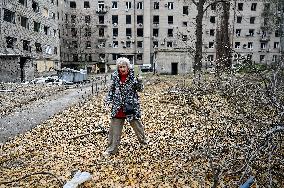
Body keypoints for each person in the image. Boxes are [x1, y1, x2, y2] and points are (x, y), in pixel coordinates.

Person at [103, 57, 147, 156]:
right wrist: (108, 101)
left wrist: (139, 81)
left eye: (124, 67)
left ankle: (144, 143)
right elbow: (111, 90)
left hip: (131, 107)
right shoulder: (115, 76)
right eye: (120, 67)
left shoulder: (133, 75)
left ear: (128, 67)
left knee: (138, 127)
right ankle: (111, 150)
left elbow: (140, 89)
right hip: (118, 107)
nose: (122, 69)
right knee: (114, 131)